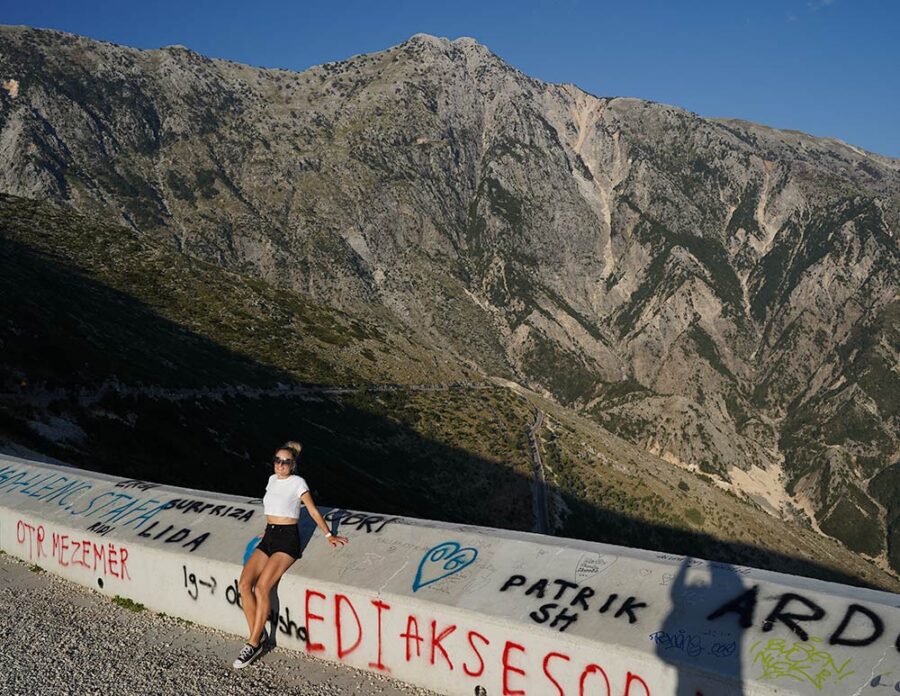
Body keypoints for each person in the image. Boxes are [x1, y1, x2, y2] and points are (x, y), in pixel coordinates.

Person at [233, 440, 348, 669]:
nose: (280, 465)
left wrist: (328, 535)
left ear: (293, 465)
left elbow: (313, 510)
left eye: (286, 462)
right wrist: (267, 528)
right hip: (269, 536)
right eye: (277, 460)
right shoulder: (271, 480)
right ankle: (258, 635)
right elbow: (273, 506)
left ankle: (253, 643)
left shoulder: (298, 483)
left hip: (287, 540)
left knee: (262, 587)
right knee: (244, 584)